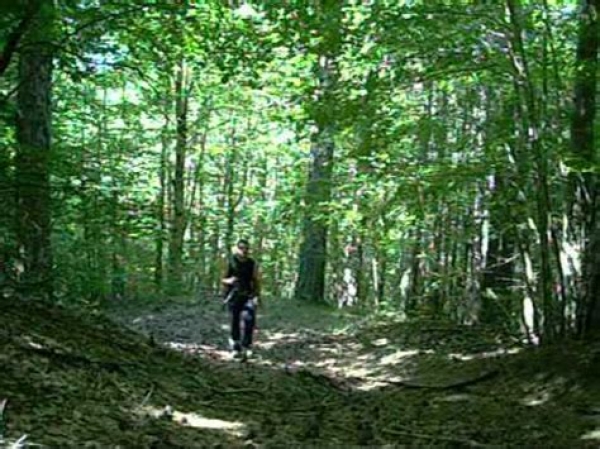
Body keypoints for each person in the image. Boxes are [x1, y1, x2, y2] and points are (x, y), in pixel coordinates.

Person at [222, 238, 261, 359]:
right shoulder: (231, 261)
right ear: (237, 248)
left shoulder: (251, 263)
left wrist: (257, 296)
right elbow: (223, 279)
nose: (244, 250)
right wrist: (230, 281)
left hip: (248, 295)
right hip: (233, 295)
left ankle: (247, 345)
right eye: (241, 248)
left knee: (249, 319)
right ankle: (235, 346)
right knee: (234, 320)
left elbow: (256, 280)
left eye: (246, 248)